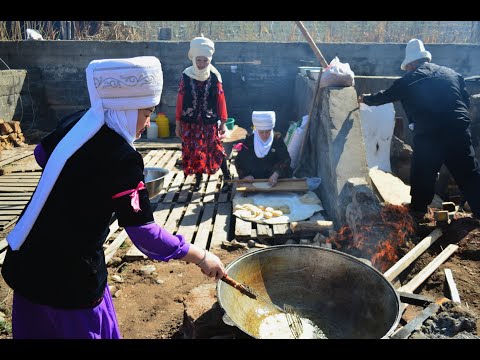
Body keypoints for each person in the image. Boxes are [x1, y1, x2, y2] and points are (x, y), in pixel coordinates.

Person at [1, 56, 226, 339]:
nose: (146, 123)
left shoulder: (78, 122)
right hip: (70, 279)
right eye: (146, 113)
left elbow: (41, 155)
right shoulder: (123, 159)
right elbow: (144, 233)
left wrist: (79, 184)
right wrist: (201, 256)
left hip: (27, 264)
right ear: (126, 108)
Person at [358, 38, 480, 220]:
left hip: (430, 134)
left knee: (423, 171)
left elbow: (385, 96)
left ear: (412, 63)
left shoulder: (409, 80)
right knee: (468, 173)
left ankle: (418, 211)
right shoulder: (452, 74)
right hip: (458, 130)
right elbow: (465, 101)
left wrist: (364, 99)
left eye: (407, 66)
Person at [175, 36, 232, 193]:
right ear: (193, 58)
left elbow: (221, 100)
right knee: (194, 151)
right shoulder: (186, 75)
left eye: (205, 61)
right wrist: (178, 123)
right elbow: (180, 99)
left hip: (208, 122)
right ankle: (198, 180)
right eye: (198, 60)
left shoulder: (215, 76)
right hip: (190, 122)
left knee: (216, 149)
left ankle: (227, 177)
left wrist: (223, 122)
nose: (201, 64)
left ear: (210, 60)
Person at [234, 111, 292, 186]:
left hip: (274, 179)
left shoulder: (277, 139)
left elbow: (286, 159)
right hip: (254, 180)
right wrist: (244, 176)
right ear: (257, 130)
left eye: (267, 132)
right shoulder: (250, 141)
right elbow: (240, 160)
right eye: (261, 132)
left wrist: (277, 173)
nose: (265, 135)